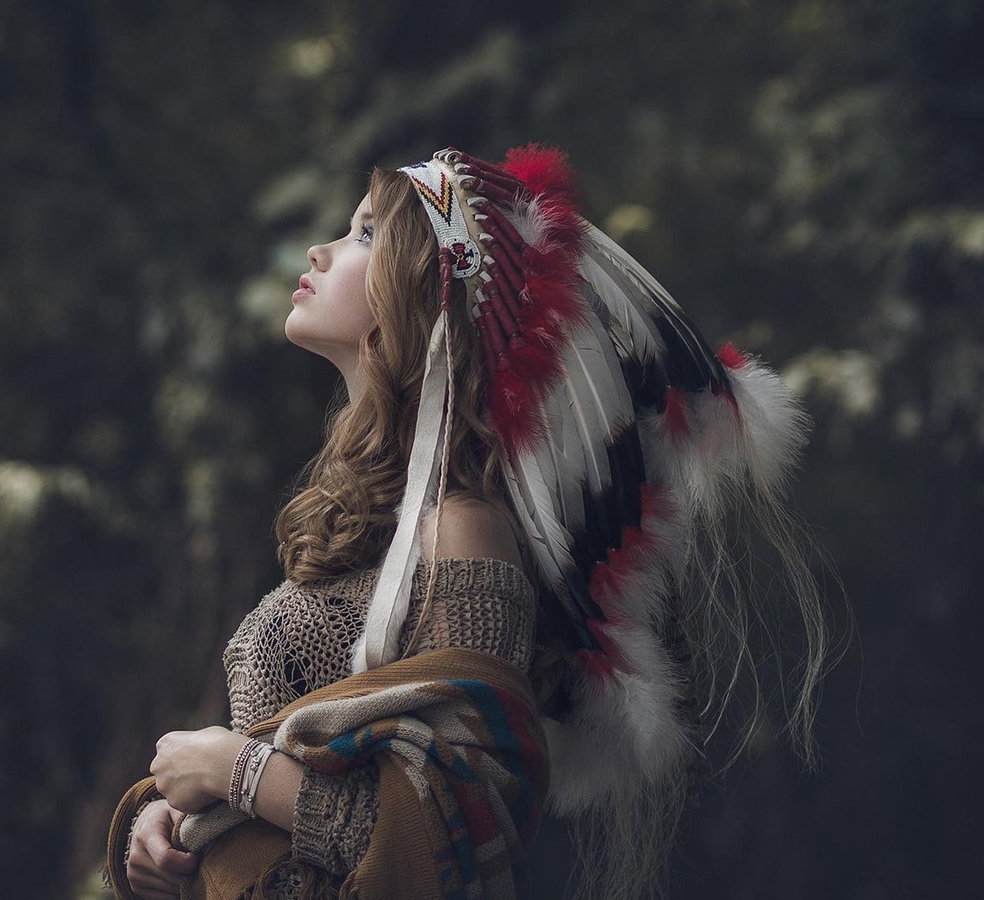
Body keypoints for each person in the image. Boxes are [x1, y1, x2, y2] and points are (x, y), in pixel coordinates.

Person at [104, 145, 837, 900]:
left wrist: (235, 771)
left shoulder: (460, 529)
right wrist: (166, 822)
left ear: (427, 297)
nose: (319, 251)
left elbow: (457, 838)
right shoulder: (363, 522)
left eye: (365, 234)